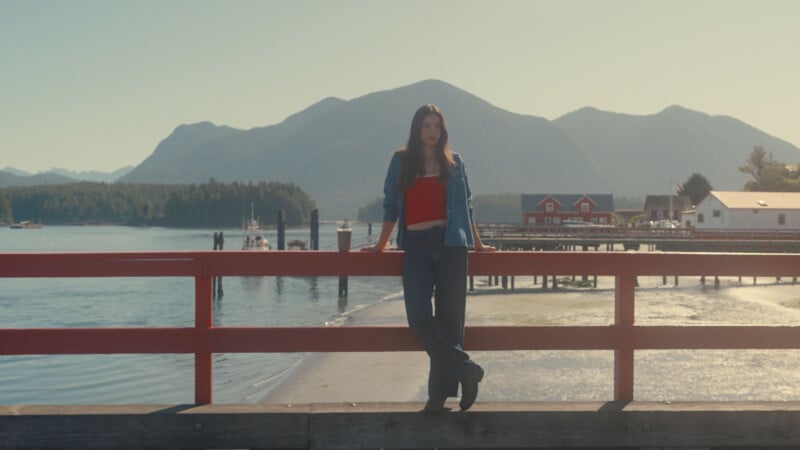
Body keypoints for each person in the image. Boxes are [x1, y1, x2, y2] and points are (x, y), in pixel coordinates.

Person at [362, 104, 496, 412]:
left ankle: (438, 396)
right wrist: (381, 245)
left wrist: (478, 244)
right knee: (418, 316)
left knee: (451, 321)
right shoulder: (401, 162)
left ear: (443, 130)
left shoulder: (455, 162)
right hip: (417, 246)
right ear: (416, 129)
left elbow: (466, 206)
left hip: (451, 245)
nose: (432, 131)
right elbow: (390, 206)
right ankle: (465, 368)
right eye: (426, 125)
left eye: (436, 126)